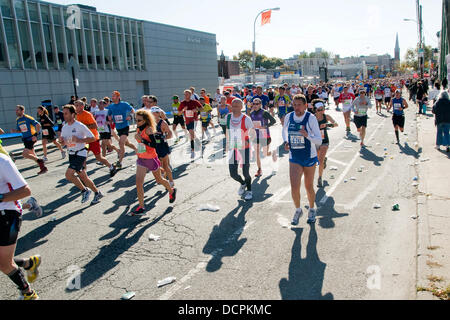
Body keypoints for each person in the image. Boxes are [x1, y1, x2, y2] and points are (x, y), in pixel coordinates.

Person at [0, 153, 42, 300]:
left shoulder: (2, 161)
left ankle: (28, 294)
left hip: (6, 215)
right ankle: (28, 263)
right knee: (3, 261)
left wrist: (0, 197)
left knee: (4, 264)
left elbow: (25, 191)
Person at [282, 94, 322, 225]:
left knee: (308, 186)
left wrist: (307, 135)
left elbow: (318, 140)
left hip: (309, 156)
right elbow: (284, 131)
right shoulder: (289, 117)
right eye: (294, 104)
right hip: (295, 157)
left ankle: (311, 208)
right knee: (294, 187)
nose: (296, 107)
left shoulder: (310, 118)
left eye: (299, 105)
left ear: (305, 105)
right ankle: (298, 210)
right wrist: (286, 142)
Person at [132, 110, 176, 215]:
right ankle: (141, 207)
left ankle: (171, 190)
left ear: (145, 120)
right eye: (136, 119)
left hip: (151, 159)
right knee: (138, 183)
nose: (137, 122)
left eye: (139, 120)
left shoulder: (149, 130)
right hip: (141, 159)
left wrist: (142, 140)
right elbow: (141, 144)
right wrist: (138, 147)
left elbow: (154, 145)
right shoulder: (139, 128)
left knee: (159, 179)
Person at [59, 105, 103, 204]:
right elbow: (64, 141)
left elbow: (93, 138)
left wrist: (80, 140)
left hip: (80, 153)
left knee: (68, 175)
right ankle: (97, 192)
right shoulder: (64, 127)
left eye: (66, 113)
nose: (64, 115)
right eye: (63, 113)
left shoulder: (80, 126)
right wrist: (61, 141)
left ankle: (84, 190)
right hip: (71, 153)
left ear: (72, 114)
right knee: (83, 176)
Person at [74, 100, 118, 177]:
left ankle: (111, 167)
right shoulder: (76, 115)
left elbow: (95, 126)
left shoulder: (87, 114)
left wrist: (83, 127)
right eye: (75, 105)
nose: (76, 107)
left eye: (77, 105)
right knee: (83, 157)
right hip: (85, 141)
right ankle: (84, 175)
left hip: (93, 139)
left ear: (82, 106)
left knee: (98, 157)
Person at [226, 99, 255, 201]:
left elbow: (252, 133)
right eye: (233, 106)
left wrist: (248, 141)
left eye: (237, 106)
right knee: (233, 174)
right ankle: (243, 184)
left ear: (241, 107)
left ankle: (249, 191)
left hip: (244, 149)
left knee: (245, 172)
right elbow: (227, 129)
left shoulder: (246, 119)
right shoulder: (228, 117)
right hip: (233, 147)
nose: (234, 108)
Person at [11, 105, 48, 175]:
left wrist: (35, 135)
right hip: (25, 139)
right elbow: (20, 130)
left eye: (17, 110)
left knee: (25, 154)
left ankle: (40, 161)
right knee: (32, 154)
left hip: (31, 138)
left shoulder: (28, 118)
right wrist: (15, 131)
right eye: (16, 110)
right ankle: (43, 168)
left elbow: (38, 125)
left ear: (22, 111)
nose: (16, 111)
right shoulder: (18, 120)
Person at [107, 91, 138, 169]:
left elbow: (133, 111)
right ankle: (136, 150)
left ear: (118, 97)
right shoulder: (111, 106)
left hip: (125, 127)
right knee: (127, 143)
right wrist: (109, 118)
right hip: (118, 127)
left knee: (121, 143)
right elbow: (108, 114)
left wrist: (130, 117)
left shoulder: (124, 104)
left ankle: (119, 162)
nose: (112, 97)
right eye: (112, 96)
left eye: (114, 96)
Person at [313, 100, 338, 188]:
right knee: (317, 158)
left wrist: (327, 125)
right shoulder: (312, 118)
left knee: (320, 161)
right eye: (319, 110)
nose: (321, 111)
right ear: (315, 110)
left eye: (322, 109)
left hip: (324, 141)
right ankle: (324, 160)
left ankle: (320, 178)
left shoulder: (326, 117)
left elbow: (336, 124)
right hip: (315, 141)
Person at [250, 98, 276, 177]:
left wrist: (265, 126)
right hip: (256, 135)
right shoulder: (251, 113)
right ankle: (259, 169)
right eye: (253, 104)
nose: (255, 105)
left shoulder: (265, 113)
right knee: (256, 153)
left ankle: (272, 153)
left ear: (260, 104)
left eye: (257, 104)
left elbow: (273, 121)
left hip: (264, 135)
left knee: (265, 154)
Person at [150, 106, 175, 188]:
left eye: (155, 113)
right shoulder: (150, 123)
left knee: (165, 165)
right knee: (158, 165)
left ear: (158, 113)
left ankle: (171, 181)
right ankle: (163, 178)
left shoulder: (163, 123)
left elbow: (170, 134)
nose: (153, 115)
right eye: (152, 113)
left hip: (162, 146)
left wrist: (163, 137)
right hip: (154, 146)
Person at [179, 89, 203, 158]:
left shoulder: (194, 102)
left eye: (187, 94)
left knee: (191, 134)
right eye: (185, 94)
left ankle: (192, 151)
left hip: (194, 120)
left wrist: (196, 110)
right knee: (192, 134)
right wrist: (183, 110)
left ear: (190, 95)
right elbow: (179, 113)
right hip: (187, 121)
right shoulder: (182, 103)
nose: (186, 95)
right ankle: (199, 144)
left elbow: (202, 108)